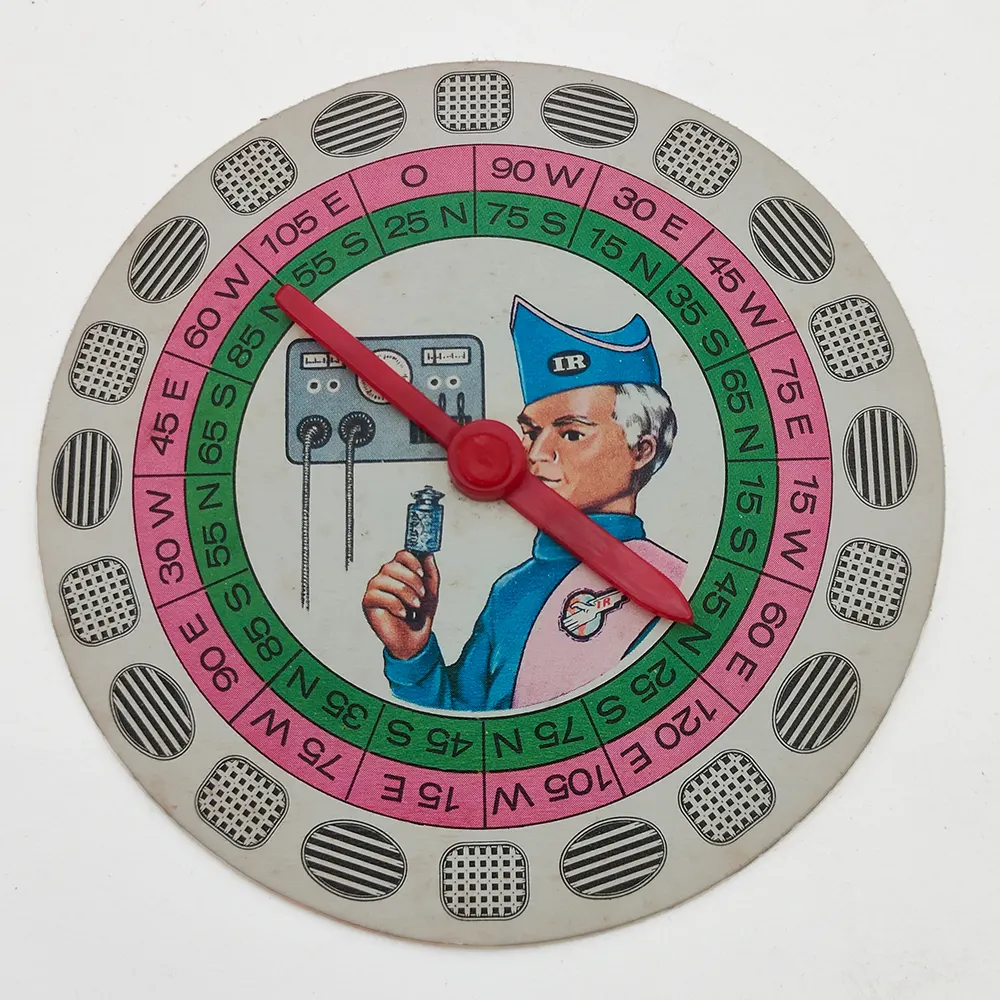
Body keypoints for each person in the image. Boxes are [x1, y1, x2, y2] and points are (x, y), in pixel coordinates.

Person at [362, 296, 685, 711]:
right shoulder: (510, 592)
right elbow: (467, 732)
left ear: (641, 450)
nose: (535, 454)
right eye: (531, 433)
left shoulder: (674, 579)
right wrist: (412, 653)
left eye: (571, 434)